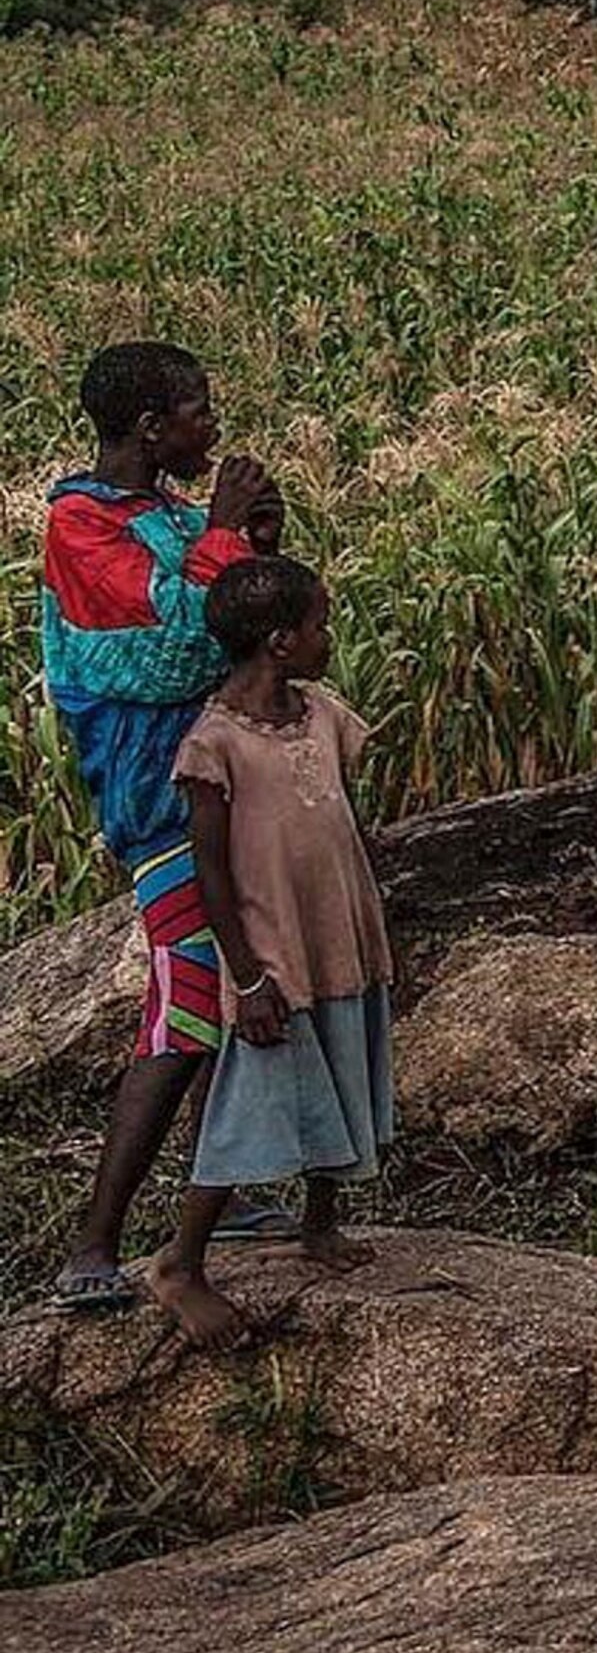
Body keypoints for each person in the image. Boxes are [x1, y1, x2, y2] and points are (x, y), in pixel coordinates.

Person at [39, 341, 286, 1314]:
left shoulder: (161, 518)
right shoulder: (79, 527)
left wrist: (253, 546)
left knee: (237, 995)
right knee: (187, 1003)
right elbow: (181, 646)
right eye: (196, 411)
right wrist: (226, 537)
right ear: (150, 429)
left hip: (217, 780)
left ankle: (220, 1199)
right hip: (159, 796)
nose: (211, 428)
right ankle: (92, 1249)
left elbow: (237, 616)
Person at [141, 556, 392, 1352]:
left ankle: (321, 1223)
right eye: (320, 624)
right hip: (273, 956)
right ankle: (181, 1261)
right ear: (281, 641)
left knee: (345, 1069)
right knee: (249, 1108)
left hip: (339, 937)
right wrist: (246, 976)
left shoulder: (321, 715)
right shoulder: (215, 744)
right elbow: (212, 873)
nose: (329, 637)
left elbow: (341, 825)